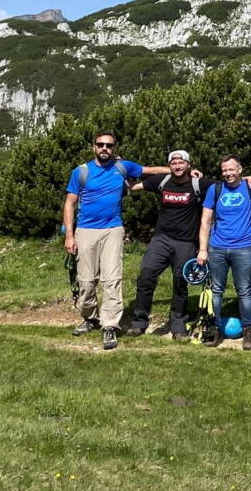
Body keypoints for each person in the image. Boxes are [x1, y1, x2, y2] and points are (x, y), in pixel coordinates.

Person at [63, 131, 173, 351]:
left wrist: (179, 170)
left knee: (112, 279)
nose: (105, 148)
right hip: (85, 230)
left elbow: (150, 170)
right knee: (86, 281)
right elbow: (69, 204)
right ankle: (90, 317)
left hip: (113, 229)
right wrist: (69, 235)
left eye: (109, 145)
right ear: (94, 147)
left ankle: (110, 325)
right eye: (101, 145)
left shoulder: (123, 167)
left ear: (114, 148)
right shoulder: (81, 172)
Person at [125, 150, 206, 340]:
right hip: (161, 239)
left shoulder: (198, 184)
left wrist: (247, 179)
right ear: (169, 166)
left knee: (180, 283)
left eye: (181, 163)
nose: (177, 166)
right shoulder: (161, 182)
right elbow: (132, 187)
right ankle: (139, 323)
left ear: (189, 165)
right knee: (146, 276)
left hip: (186, 242)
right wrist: (118, 174)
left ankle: (178, 326)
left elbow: (227, 186)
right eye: (173, 163)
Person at [196, 155, 251, 350]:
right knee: (217, 290)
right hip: (217, 247)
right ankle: (214, 329)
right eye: (224, 170)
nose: (228, 173)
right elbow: (205, 220)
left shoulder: (250, 188)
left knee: (244, 289)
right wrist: (203, 249)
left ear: (240, 169)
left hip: (243, 247)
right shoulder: (215, 189)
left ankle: (249, 330)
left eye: (231, 169)